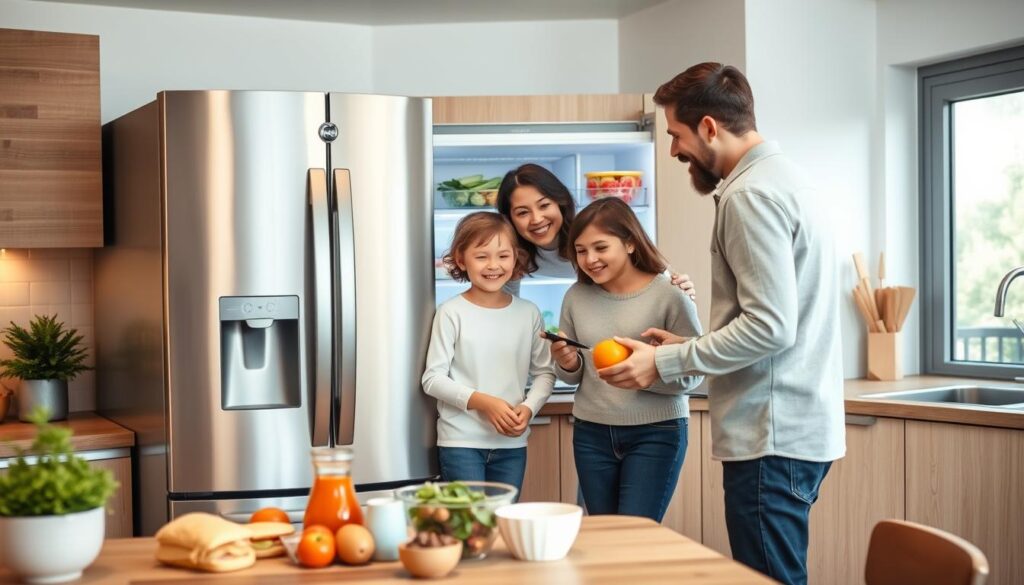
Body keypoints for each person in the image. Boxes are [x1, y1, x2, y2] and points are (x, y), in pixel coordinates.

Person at [597, 63, 845, 585]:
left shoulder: (749, 195)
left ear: (709, 127)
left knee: (768, 578)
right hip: (796, 426)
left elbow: (771, 327)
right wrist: (696, 345)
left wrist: (665, 360)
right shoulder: (790, 178)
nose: (673, 151)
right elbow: (775, 318)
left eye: (677, 135)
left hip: (769, 433)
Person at [548, 197, 702, 522]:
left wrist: (646, 371)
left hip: (657, 432)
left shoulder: (670, 295)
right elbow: (575, 377)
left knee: (636, 536)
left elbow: (693, 375)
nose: (590, 259)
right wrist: (567, 361)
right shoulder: (576, 297)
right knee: (605, 537)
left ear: (630, 243)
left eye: (601, 247)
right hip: (591, 432)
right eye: (580, 250)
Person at [421, 212, 556, 494]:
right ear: (461, 260)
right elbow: (432, 379)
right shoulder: (451, 312)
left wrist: (529, 409)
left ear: (515, 258)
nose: (493, 266)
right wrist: (485, 402)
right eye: (482, 256)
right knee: (470, 528)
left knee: (499, 529)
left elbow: (545, 372)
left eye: (503, 256)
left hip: (512, 445)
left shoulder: (527, 313)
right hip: (461, 444)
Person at [496, 163, 697, 299]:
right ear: (509, 218)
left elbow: (649, 264)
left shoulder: (590, 234)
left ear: (561, 202)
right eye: (522, 212)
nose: (537, 219)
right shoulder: (512, 255)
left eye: (544, 205)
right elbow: (506, 306)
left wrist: (678, 287)